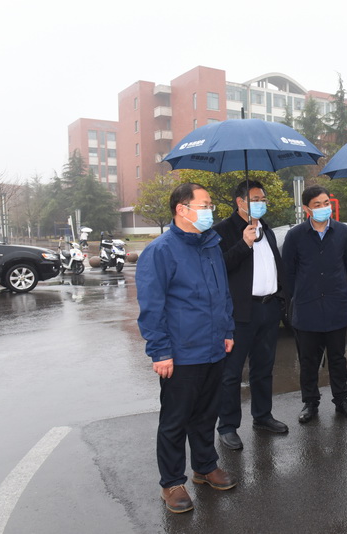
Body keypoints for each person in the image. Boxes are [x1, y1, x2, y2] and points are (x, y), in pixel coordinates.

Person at [136, 183, 238, 514]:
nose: (210, 211)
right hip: (181, 352)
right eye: (204, 205)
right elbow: (151, 305)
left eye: (210, 205)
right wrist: (160, 351)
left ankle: (205, 467)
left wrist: (227, 329)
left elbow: (222, 293)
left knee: (207, 414)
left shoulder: (211, 245)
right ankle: (171, 483)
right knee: (175, 420)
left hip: (214, 347)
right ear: (182, 209)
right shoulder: (161, 251)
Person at [214, 180, 289, 451]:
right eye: (255, 199)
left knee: (263, 367)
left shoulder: (265, 229)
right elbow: (219, 267)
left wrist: (281, 298)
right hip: (240, 312)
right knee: (232, 372)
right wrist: (243, 244)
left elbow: (275, 266)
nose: (261, 203)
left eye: (263, 199)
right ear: (240, 202)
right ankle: (228, 426)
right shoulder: (223, 231)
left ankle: (263, 416)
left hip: (268, 308)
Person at [282, 185, 347, 424]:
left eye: (326, 203)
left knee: (337, 358)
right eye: (317, 205)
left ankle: (342, 400)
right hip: (307, 309)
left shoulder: (343, 232)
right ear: (307, 208)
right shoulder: (295, 235)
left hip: (336, 307)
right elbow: (288, 272)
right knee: (308, 361)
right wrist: (302, 293)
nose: (323, 208)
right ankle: (310, 402)